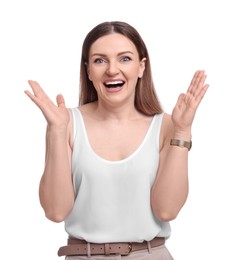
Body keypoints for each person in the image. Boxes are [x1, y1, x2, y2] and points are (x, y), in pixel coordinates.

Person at [25, 21, 209, 260]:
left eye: (125, 59)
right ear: (88, 70)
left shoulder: (167, 125)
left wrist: (182, 131)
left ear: (141, 67)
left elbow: (167, 209)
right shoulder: (66, 122)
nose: (112, 70)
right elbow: (55, 211)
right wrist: (56, 131)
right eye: (100, 60)